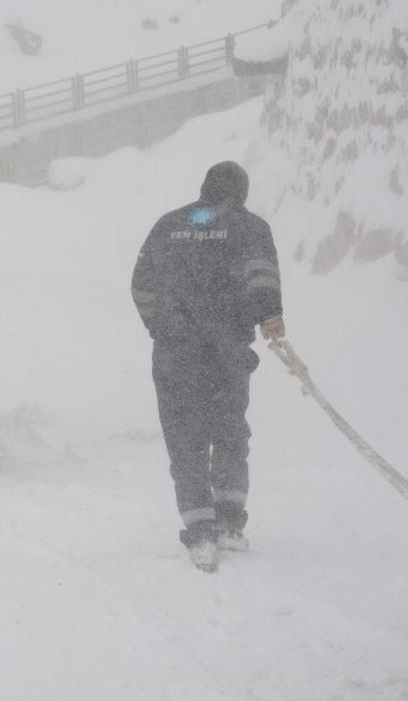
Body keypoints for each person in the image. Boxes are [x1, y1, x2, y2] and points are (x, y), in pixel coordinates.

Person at [130, 161, 285, 572]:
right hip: (227, 352)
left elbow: (141, 284)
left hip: (175, 355)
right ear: (240, 192)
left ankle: (199, 529)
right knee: (230, 431)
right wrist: (268, 316)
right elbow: (262, 277)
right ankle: (230, 524)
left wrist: (162, 327)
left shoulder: (168, 225)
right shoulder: (249, 226)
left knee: (185, 440)